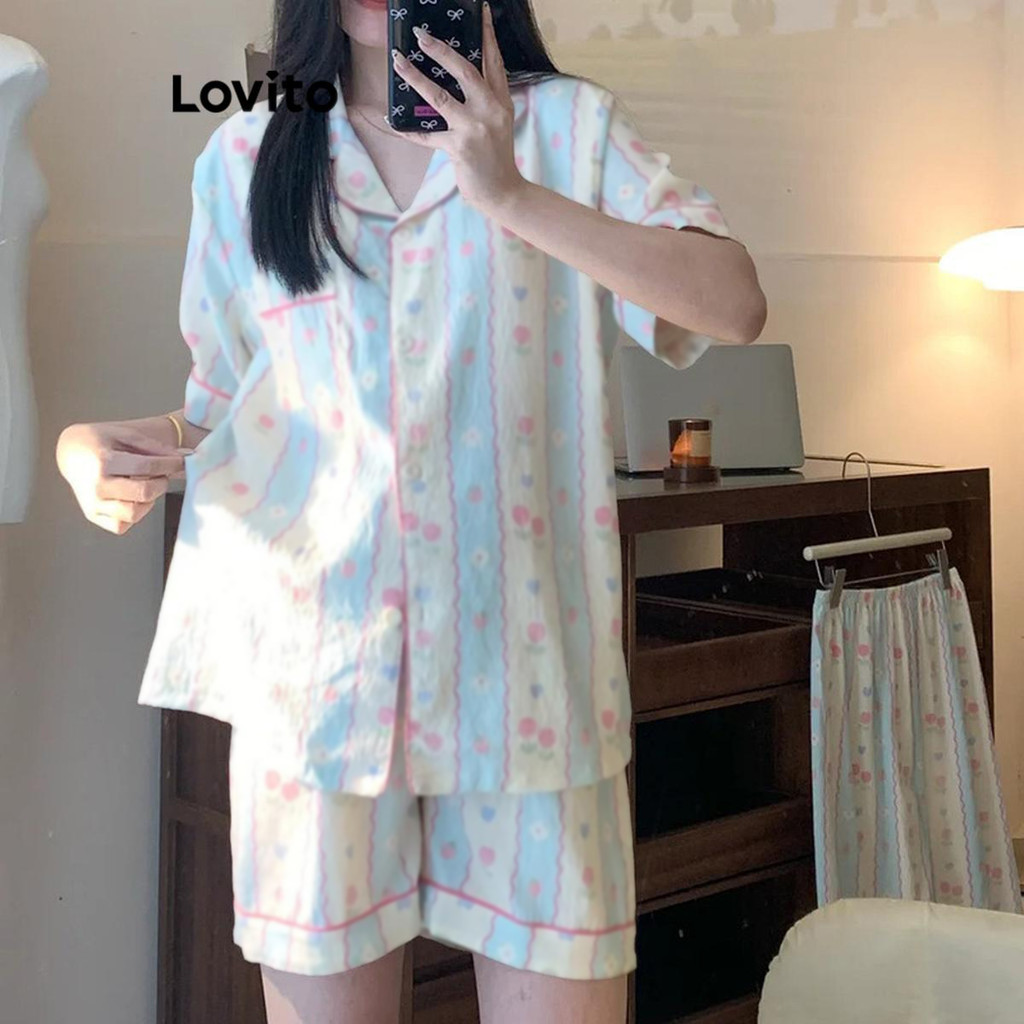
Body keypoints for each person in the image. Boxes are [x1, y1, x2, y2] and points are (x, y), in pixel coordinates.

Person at [56, 0, 766, 1021]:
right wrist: (98, 449)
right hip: (317, 687)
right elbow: (230, 410)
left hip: (529, 682)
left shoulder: (566, 129)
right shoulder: (249, 155)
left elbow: (733, 302)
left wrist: (510, 194)